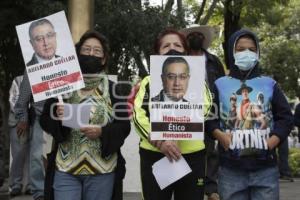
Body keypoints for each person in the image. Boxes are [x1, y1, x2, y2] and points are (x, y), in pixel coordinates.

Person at [40, 30, 130, 200]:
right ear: (77, 54)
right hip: (66, 170)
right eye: (86, 49)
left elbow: (124, 127)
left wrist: (102, 132)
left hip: (102, 172)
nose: (91, 54)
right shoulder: (62, 86)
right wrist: (57, 117)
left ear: (103, 59)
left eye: (97, 51)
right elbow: (44, 120)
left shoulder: (113, 89)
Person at [206, 29, 293, 200]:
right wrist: (219, 135)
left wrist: (274, 140)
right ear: (232, 51)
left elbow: (285, 117)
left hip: (265, 170)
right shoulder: (219, 85)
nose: (246, 53)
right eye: (240, 49)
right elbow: (208, 117)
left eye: (252, 49)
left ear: (258, 52)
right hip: (230, 170)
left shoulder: (270, 84)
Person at [133, 28, 212, 200]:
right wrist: (161, 140)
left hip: (192, 156)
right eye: (165, 46)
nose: (172, 48)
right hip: (155, 154)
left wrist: (179, 129)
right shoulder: (147, 82)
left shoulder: (197, 80)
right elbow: (139, 115)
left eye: (177, 45)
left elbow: (206, 108)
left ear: (186, 51)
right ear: (157, 53)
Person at [181, 24, 225, 200]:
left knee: (211, 150)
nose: (196, 37)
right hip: (187, 109)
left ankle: (211, 188)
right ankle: (190, 185)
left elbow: (222, 84)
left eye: (199, 35)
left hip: (212, 108)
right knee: (190, 148)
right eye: (192, 35)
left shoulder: (214, 61)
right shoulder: (180, 60)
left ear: (204, 39)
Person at [8, 75, 31, 197]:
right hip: (17, 121)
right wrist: (23, 117)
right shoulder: (18, 80)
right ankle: (16, 184)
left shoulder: (43, 77)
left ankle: (29, 185)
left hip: (36, 121)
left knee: (34, 154)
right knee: (18, 153)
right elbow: (13, 100)